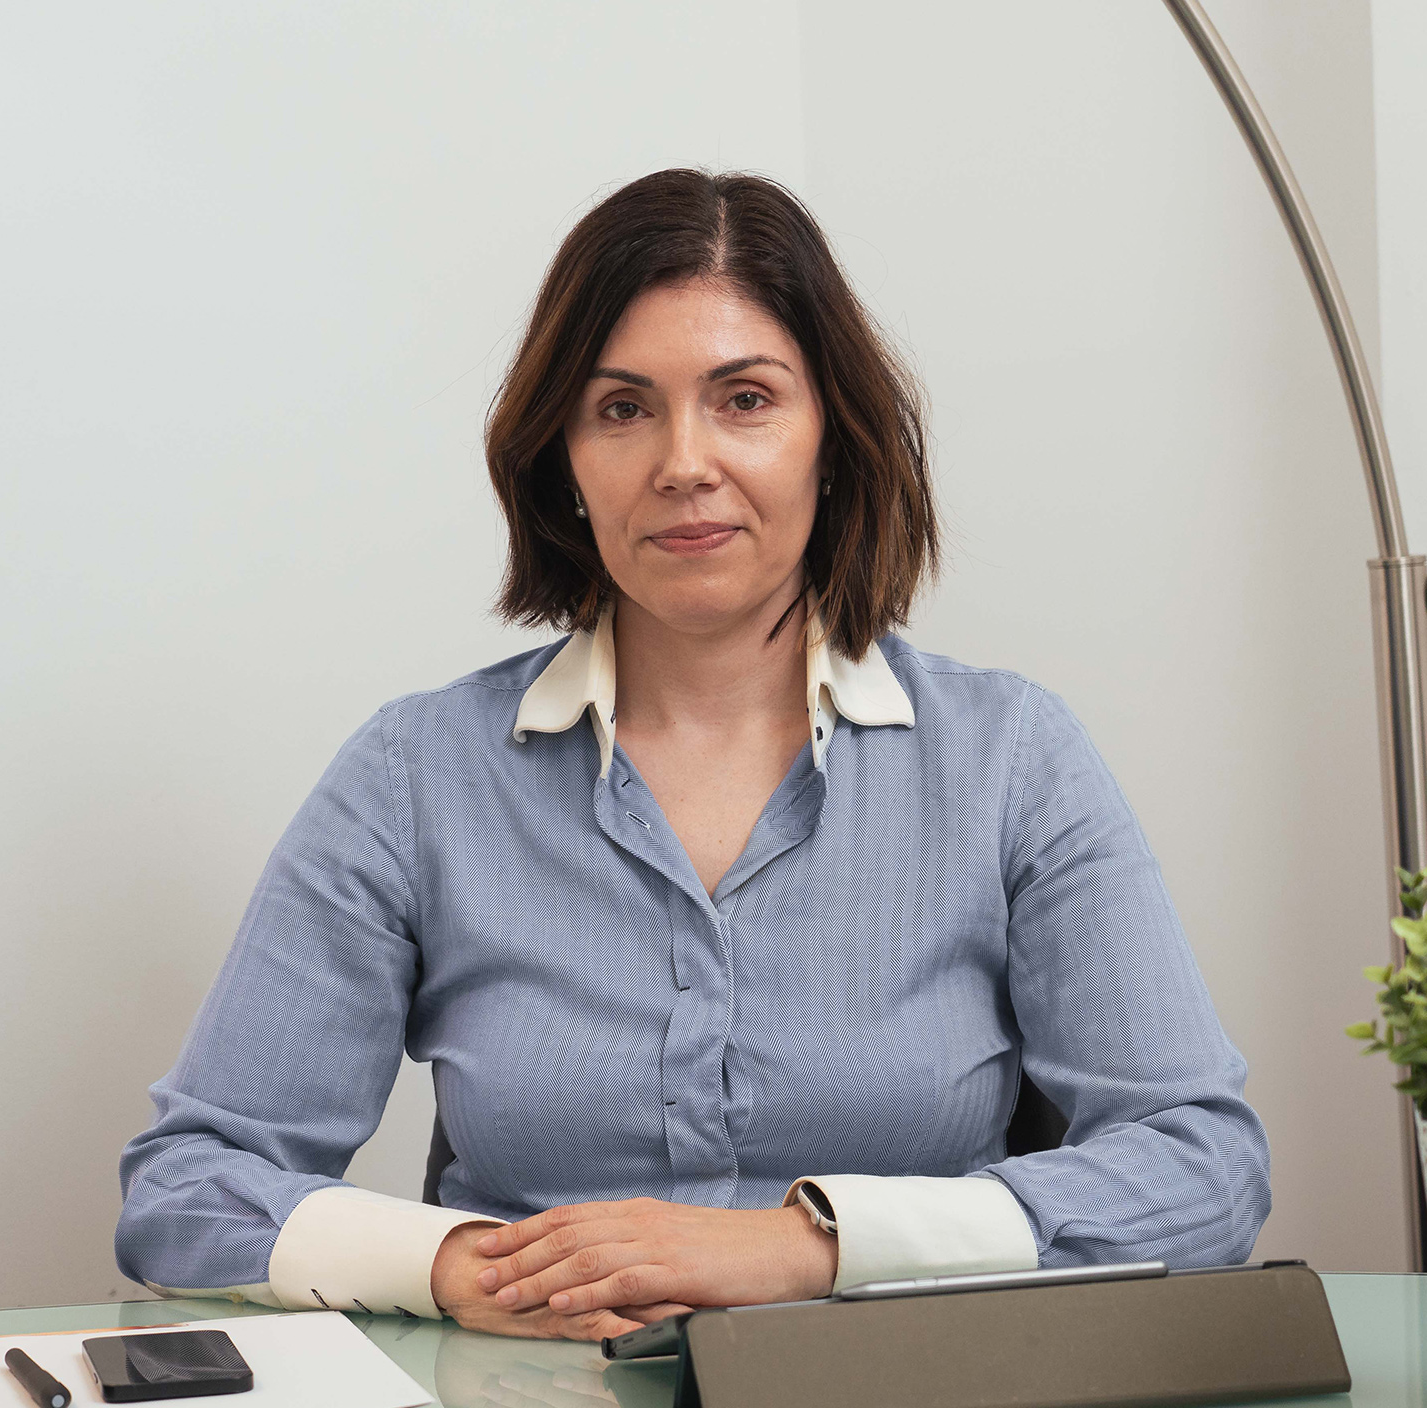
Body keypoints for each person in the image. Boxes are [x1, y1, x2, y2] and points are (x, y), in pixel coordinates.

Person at [115, 168, 1270, 1343]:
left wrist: (801, 1248)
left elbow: (1204, 1171)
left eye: (745, 399)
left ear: (832, 438)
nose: (683, 462)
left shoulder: (1011, 757)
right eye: (622, 409)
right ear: (564, 459)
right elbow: (187, 1188)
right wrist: (471, 1268)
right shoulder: (416, 775)